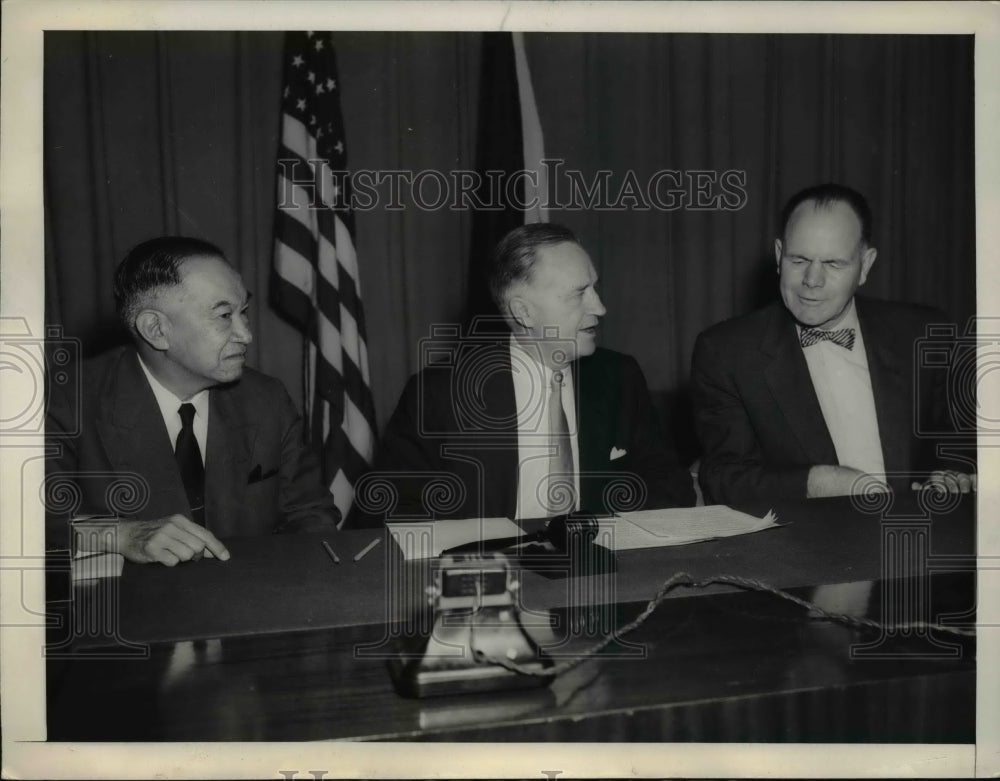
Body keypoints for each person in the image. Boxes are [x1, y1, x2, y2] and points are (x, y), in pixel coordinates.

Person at [350, 223, 694, 526]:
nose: (600, 307)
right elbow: (386, 509)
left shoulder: (619, 376)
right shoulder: (440, 394)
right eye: (579, 294)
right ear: (523, 311)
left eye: (595, 288)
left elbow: (668, 483)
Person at [45, 236, 339, 565]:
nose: (246, 335)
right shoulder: (65, 401)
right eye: (224, 316)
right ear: (155, 329)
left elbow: (311, 515)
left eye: (244, 312)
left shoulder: (266, 399)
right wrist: (123, 535)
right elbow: (24, 524)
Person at [691, 183, 975, 504]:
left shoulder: (923, 332)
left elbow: (962, 441)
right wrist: (816, 483)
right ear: (779, 255)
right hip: (805, 543)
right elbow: (724, 478)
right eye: (799, 260)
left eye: (833, 264)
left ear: (865, 266)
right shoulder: (726, 352)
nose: (812, 281)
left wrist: (954, 474)